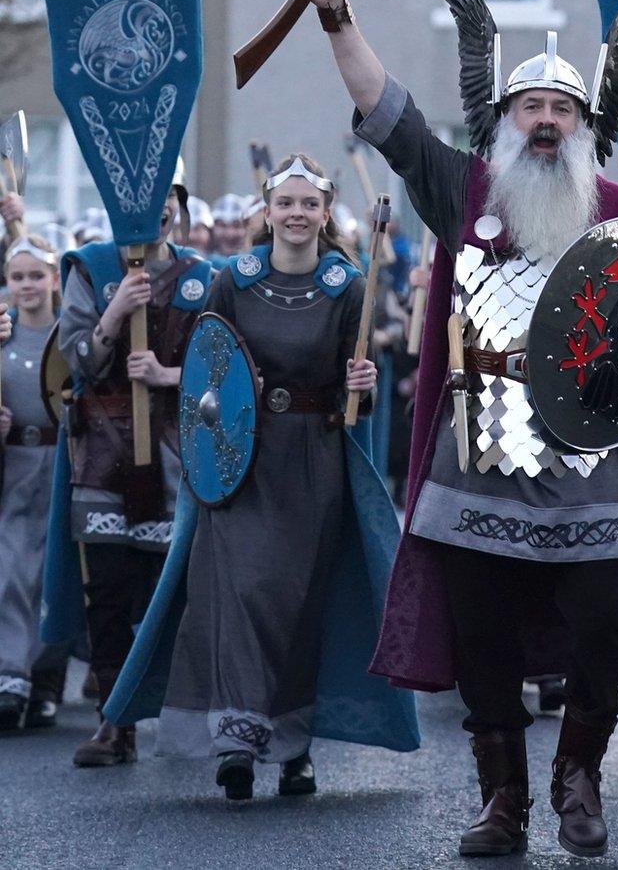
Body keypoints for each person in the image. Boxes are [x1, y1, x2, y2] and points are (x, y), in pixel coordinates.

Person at [297, 0, 618, 859]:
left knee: (604, 621)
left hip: (587, 457)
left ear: (583, 124)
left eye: (563, 108)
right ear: (504, 117)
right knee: (479, 630)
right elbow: (386, 110)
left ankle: (580, 778)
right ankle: (502, 798)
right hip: (475, 446)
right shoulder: (463, 191)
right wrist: (337, 14)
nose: (546, 120)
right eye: (532, 106)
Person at [103, 154, 419, 800]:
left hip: (311, 462)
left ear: (325, 213)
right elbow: (206, 368)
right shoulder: (233, 281)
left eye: (309, 203)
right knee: (240, 593)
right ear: (266, 213)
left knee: (295, 606)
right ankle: (238, 742)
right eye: (286, 203)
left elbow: (352, 395)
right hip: (238, 461)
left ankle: (294, 745)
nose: (297, 214)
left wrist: (362, 384)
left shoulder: (348, 285)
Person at [45, 172, 213, 766]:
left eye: (168, 200)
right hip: (104, 452)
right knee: (109, 595)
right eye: (147, 200)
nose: (157, 211)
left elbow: (217, 368)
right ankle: (114, 723)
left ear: (179, 207)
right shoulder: (89, 268)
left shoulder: (200, 276)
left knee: (166, 596)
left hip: (172, 453)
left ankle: (172, 713)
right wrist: (115, 311)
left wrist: (168, 376)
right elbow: (77, 362)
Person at [0, 240, 52, 730]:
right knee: (12, 567)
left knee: (52, 575)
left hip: (63, 462)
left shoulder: (66, 334)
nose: (28, 286)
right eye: (18, 277)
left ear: (54, 279)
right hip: (17, 462)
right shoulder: (3, 336)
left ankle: (45, 681)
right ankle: (11, 675)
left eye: (37, 275)